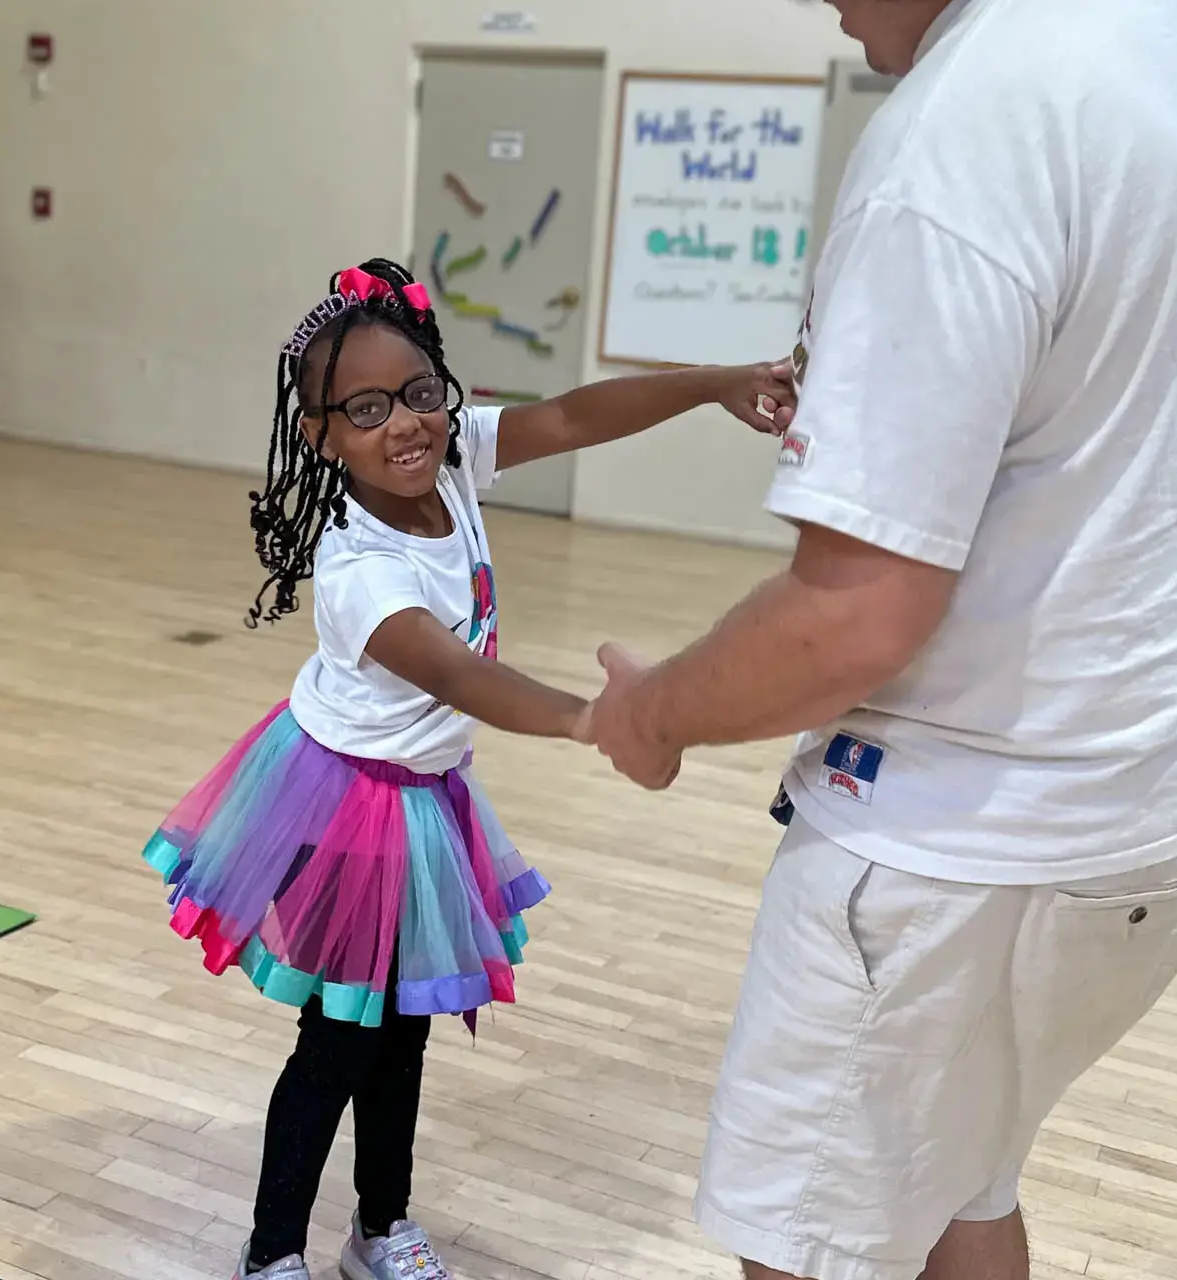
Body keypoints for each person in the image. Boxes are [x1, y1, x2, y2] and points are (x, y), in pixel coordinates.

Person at [580, 0, 1177, 1277]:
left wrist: (653, 711)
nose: (820, 2)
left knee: (809, 1244)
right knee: (962, 1180)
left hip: (970, 846)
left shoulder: (958, 132)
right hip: (1171, 791)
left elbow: (854, 617)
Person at [140, 258, 795, 1280]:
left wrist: (714, 383)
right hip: (345, 807)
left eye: (418, 393)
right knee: (338, 1047)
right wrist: (595, 718)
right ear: (321, 435)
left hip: (424, 796)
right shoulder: (359, 568)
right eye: (365, 409)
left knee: (403, 1031)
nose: (403, 423)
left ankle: (379, 1225)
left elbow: (578, 415)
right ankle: (270, 1251)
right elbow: (456, 673)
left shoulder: (451, 463)